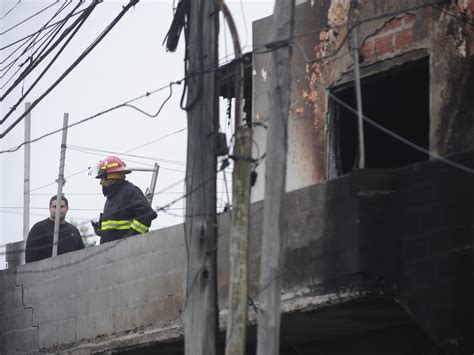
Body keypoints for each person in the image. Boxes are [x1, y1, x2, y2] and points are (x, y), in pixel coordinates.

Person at [92, 156, 157, 244]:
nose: (101, 182)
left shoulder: (130, 191)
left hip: (127, 251)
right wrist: (101, 229)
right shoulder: (112, 196)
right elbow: (117, 225)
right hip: (109, 251)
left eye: (103, 178)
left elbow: (147, 214)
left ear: (112, 176)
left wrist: (130, 238)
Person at [25, 195, 85, 263]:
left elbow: (82, 256)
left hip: (71, 271)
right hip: (45, 271)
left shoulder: (74, 231)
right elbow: (30, 259)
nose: (58, 209)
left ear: (67, 209)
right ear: (49, 208)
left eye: (62, 206)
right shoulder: (39, 228)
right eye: (54, 207)